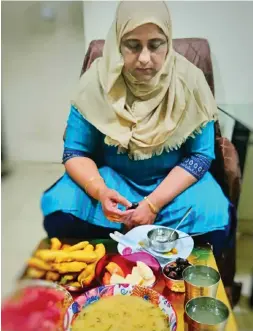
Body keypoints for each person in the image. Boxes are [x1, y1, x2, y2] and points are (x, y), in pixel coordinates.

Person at [41, 1, 230, 258]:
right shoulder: (95, 83)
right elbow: (75, 152)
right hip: (113, 183)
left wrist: (153, 203)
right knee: (60, 209)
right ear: (118, 42)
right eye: (132, 45)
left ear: (168, 41)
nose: (144, 58)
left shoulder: (191, 81)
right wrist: (100, 191)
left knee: (214, 214)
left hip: (173, 187)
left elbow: (201, 156)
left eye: (155, 45)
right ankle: (102, 273)